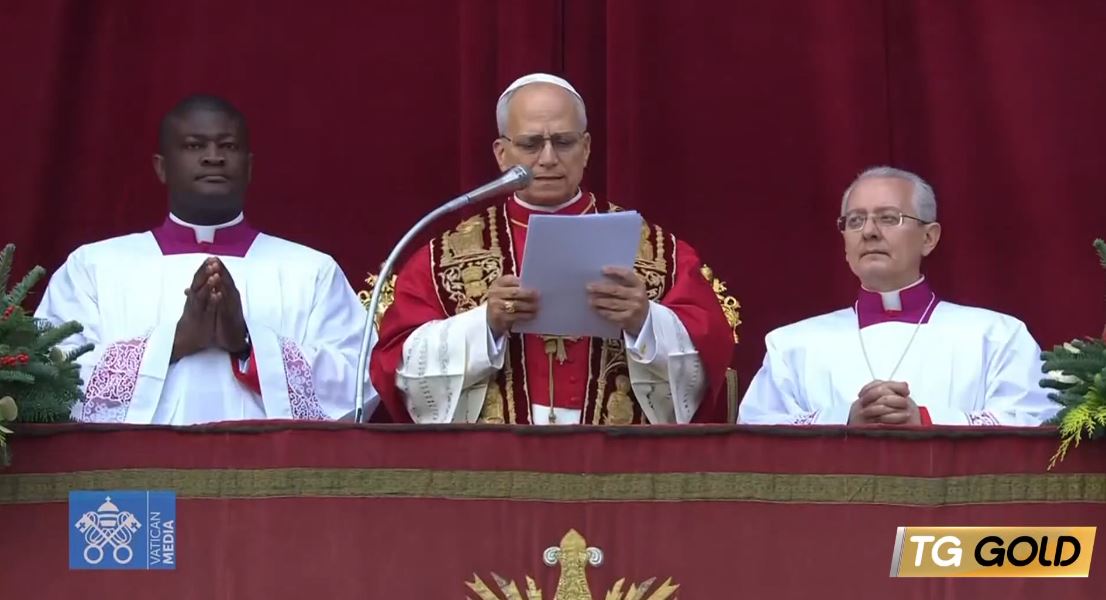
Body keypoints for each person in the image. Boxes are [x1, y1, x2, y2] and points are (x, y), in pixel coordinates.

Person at [370, 73, 734, 425]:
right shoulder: (443, 257)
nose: (547, 158)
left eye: (563, 142)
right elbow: (398, 368)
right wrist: (485, 325)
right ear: (502, 153)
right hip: (492, 459)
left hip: (616, 456)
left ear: (586, 148)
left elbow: (709, 355)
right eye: (530, 144)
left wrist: (645, 322)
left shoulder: (657, 252)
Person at [36, 94, 376, 424]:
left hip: (269, 464)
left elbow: (359, 380)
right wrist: (174, 342)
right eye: (194, 145)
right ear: (162, 167)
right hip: (136, 465)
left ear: (250, 167)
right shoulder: (93, 268)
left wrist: (248, 344)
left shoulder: (311, 271)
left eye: (228, 146)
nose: (213, 157)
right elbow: (48, 375)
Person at [739, 166, 1057, 426]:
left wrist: (926, 419)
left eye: (889, 218)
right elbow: (756, 432)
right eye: (855, 220)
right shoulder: (792, 346)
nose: (869, 232)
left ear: (929, 238)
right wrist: (843, 419)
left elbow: (1033, 421)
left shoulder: (998, 336)